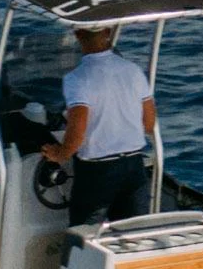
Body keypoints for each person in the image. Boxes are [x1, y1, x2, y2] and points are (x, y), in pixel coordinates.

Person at [44, 24, 158, 225]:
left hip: (97, 172)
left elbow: (77, 128)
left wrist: (60, 154)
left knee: (85, 238)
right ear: (108, 32)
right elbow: (148, 123)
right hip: (134, 166)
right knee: (131, 235)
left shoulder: (77, 79)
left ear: (78, 35)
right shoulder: (132, 71)